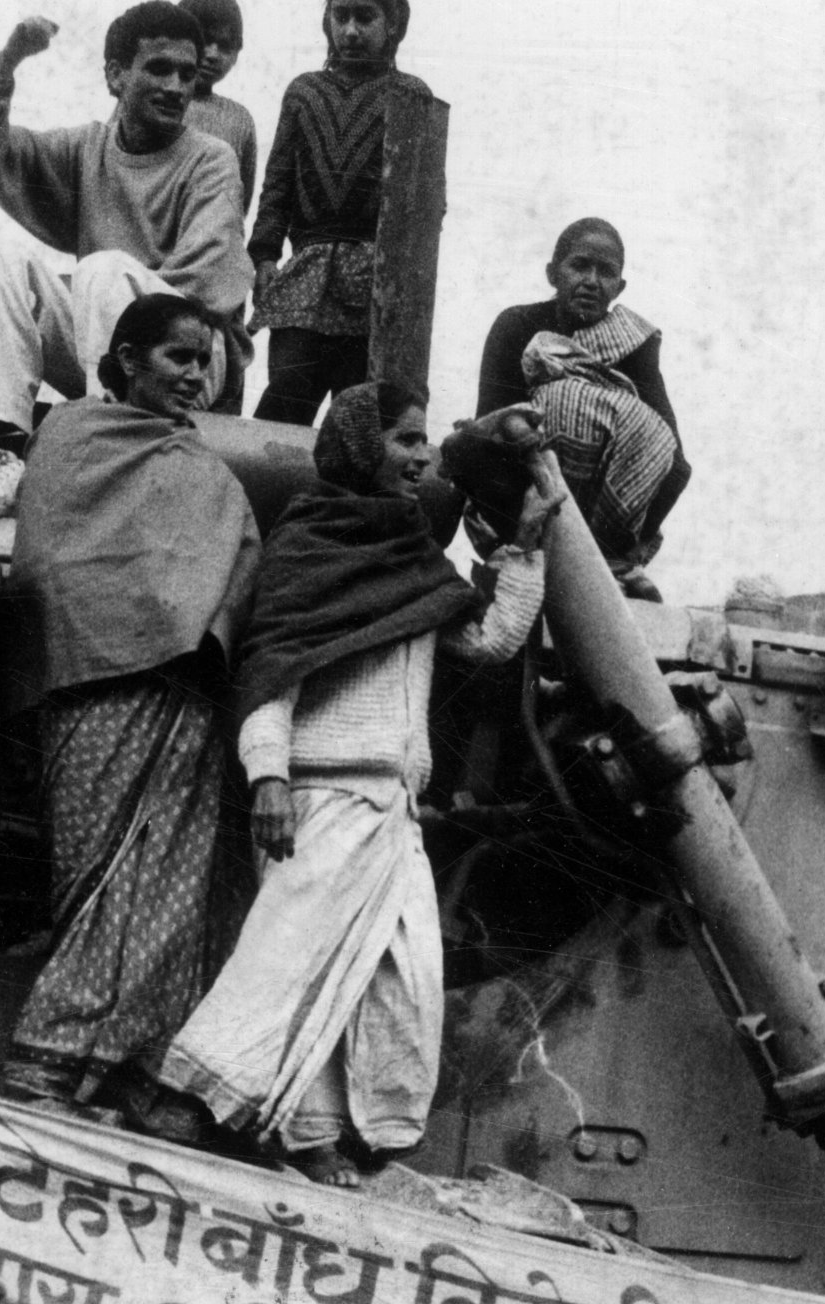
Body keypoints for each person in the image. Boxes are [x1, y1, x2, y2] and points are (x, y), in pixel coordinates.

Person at [156, 380, 548, 1181]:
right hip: (319, 799)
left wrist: (526, 549)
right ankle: (222, 1111)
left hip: (394, 810)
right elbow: (271, 676)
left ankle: (350, 1132)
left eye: (426, 441)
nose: (423, 456)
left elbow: (490, 640)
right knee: (288, 965)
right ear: (363, 446)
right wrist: (267, 778)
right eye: (406, 440)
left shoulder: (412, 556)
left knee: (398, 978)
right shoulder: (310, 547)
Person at [0, 292, 262, 1130]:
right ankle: (51, 1059)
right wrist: (143, 617)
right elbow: (51, 569)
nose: (196, 375)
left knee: (168, 892)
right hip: (90, 690)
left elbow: (232, 573)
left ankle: (124, 1077)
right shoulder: (74, 436)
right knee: (96, 883)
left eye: (206, 362)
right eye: (179, 357)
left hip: (177, 700)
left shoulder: (207, 471)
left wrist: (183, 633)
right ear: (126, 358)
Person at [0, 2, 254, 477]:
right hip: (115, 360)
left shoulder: (211, 160)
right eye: (159, 69)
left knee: (101, 269)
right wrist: (7, 63)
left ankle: (101, 449)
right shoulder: (86, 148)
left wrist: (102, 288)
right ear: (116, 76)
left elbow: (205, 290)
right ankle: (3, 447)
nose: (176, 87)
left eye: (186, 74)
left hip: (193, 356)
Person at [246, 0, 428, 427]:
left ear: (392, 25)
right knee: (287, 394)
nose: (350, 30)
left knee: (359, 414)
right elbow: (278, 180)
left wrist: (406, 292)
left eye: (365, 18)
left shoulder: (410, 96)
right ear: (326, 19)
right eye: (340, 16)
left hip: (376, 280)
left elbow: (426, 205)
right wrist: (265, 254)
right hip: (307, 271)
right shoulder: (304, 91)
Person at [473, 219, 689, 593]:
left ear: (619, 287)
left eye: (605, 272)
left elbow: (675, 464)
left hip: (606, 537)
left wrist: (619, 546)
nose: (591, 280)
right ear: (553, 272)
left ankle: (611, 567)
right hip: (522, 506)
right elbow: (488, 432)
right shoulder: (516, 326)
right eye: (579, 265)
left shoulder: (634, 347)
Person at [179, 0, 259, 204]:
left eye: (225, 46)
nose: (212, 54)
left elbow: (240, 200)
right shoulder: (154, 102)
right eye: (204, 41)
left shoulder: (239, 119)